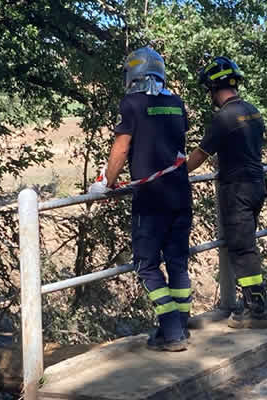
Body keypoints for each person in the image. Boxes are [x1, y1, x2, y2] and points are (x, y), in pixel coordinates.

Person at [105, 47, 193, 351]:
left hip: (151, 200)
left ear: (133, 73)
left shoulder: (131, 103)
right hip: (181, 194)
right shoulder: (176, 102)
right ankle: (181, 326)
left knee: (146, 265)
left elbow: (121, 148)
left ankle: (171, 332)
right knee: (178, 263)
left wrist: (107, 183)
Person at [187, 56, 267, 329]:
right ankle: (253, 306)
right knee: (246, 244)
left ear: (215, 87)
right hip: (257, 184)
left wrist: (176, 174)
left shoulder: (223, 118)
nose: (209, 96)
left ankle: (256, 311)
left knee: (242, 248)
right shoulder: (252, 110)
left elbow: (200, 155)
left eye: (209, 90)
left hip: (237, 189)